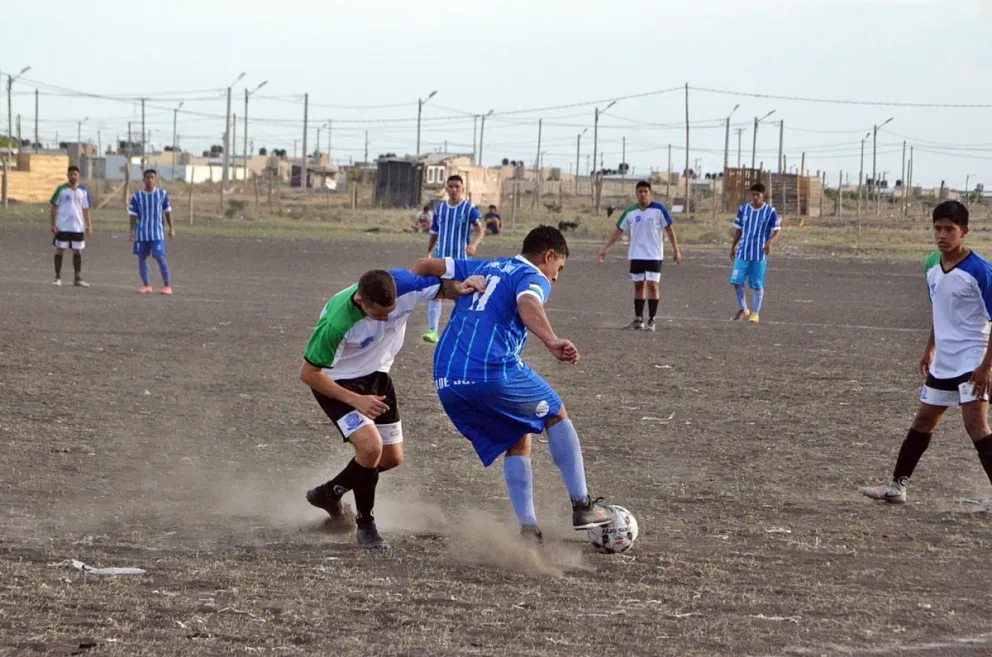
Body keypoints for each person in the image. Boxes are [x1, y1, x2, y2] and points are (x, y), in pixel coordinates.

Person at [413, 226, 612, 542]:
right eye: (558, 268)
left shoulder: (482, 266)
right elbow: (528, 302)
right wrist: (550, 339)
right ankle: (582, 505)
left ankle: (528, 529)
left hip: (446, 376)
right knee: (556, 412)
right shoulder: (532, 276)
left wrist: (451, 290)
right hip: (488, 370)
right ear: (548, 257)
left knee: (518, 436)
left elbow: (423, 267)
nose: (556, 277)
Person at [300, 268, 485, 549]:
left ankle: (330, 492)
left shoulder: (405, 286)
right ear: (361, 301)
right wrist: (355, 399)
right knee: (370, 449)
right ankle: (366, 526)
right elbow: (309, 374)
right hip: (336, 383)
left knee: (390, 458)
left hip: (378, 377)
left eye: (392, 311)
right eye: (379, 314)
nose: (387, 319)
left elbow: (443, 288)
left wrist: (462, 286)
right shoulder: (337, 323)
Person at [860, 201, 992, 507]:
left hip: (973, 359)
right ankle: (897, 487)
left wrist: (986, 367)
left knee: (975, 425)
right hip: (944, 361)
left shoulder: (981, 271)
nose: (942, 235)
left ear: (965, 232)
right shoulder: (932, 265)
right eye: (938, 228)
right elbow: (939, 310)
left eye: (950, 229)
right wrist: (930, 347)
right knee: (923, 421)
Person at [597, 181, 682, 331]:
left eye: (645, 191)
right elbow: (618, 230)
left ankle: (652, 320)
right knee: (638, 285)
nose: (642, 194)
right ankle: (638, 319)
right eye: (640, 191)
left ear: (650, 193)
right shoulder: (630, 211)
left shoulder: (659, 209)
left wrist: (676, 250)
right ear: (636, 194)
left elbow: (669, 229)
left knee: (653, 285)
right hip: (636, 254)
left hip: (654, 255)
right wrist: (606, 248)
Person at [423, 175, 484, 344]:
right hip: (440, 258)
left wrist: (473, 245)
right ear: (446, 188)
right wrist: (429, 252)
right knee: (435, 292)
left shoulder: (470, 209)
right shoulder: (440, 209)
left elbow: (480, 230)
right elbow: (434, 234)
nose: (453, 189)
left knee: (461, 295)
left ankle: (460, 331)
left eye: (457, 186)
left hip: (461, 261)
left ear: (463, 188)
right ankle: (432, 331)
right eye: (450, 186)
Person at [729, 182, 780, 324]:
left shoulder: (770, 211)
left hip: (759, 253)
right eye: (753, 194)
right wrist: (733, 246)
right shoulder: (743, 209)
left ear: (763, 195)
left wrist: (769, 242)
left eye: (758, 195)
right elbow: (738, 229)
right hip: (743, 252)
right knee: (736, 281)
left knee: (758, 284)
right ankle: (744, 309)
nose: (755, 197)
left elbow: (777, 230)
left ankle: (755, 313)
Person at [129, 170, 175, 295]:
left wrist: (171, 228)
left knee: (160, 257)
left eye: (152, 177)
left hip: (157, 233)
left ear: (155, 179)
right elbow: (133, 215)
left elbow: (167, 212)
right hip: (142, 233)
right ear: (143, 179)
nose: (149, 179)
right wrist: (131, 231)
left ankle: (167, 286)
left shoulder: (162, 194)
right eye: (147, 177)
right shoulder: (137, 196)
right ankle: (146, 285)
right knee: (142, 258)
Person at [49, 165, 93, 287]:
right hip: (63, 226)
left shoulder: (83, 190)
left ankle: (77, 278)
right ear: (67, 176)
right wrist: (53, 224)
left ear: (79, 176)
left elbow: (86, 209)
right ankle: (57, 277)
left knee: (77, 251)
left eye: (75, 174)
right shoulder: (61, 189)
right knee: (60, 250)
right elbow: (54, 207)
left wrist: (89, 225)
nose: (73, 176)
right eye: (71, 174)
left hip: (78, 227)